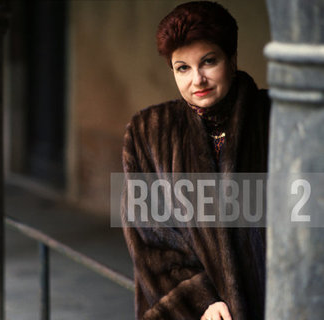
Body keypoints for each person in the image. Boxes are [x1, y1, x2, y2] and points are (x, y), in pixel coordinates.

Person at [121, 2, 270, 320]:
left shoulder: (275, 119)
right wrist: (198, 299)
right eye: (183, 68)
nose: (197, 79)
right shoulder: (148, 132)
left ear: (231, 59)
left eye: (209, 62)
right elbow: (148, 231)